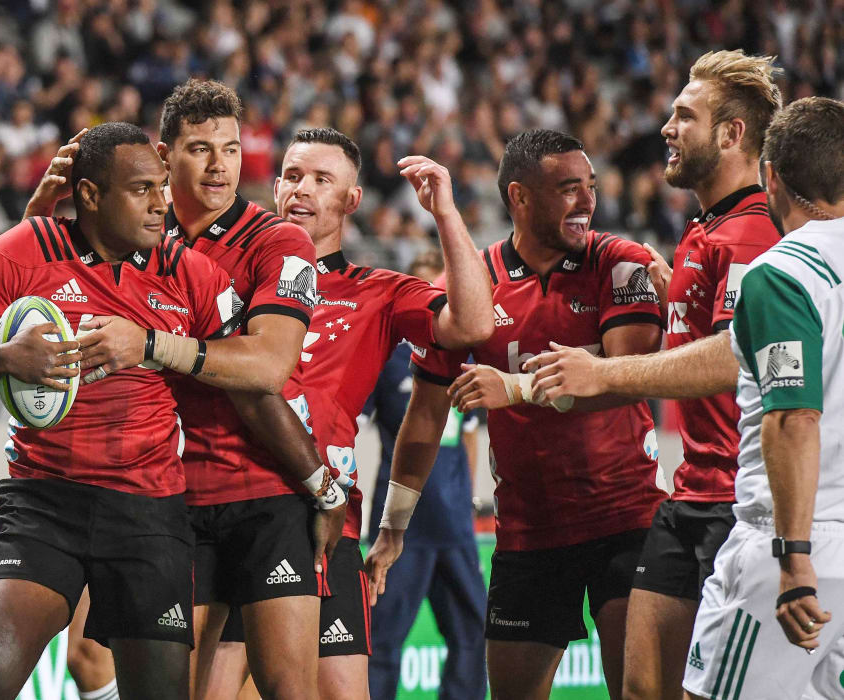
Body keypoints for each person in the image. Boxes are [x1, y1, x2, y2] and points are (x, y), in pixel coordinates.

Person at [24, 81, 344, 700]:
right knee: (120, 670)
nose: (221, 164)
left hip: (265, 489)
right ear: (166, 158)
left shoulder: (280, 242)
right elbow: (40, 288)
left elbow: (269, 368)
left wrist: (148, 344)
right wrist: (39, 214)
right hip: (166, 497)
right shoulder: (136, 234)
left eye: (230, 147)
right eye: (201, 148)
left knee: (288, 689)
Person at [0, 122, 243, 700]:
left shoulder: (188, 271)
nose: (159, 205)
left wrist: (311, 480)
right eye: (141, 189)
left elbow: (247, 369)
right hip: (44, 506)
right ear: (90, 195)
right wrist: (4, 357)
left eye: (162, 188)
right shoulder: (23, 250)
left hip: (150, 513)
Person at [515, 50, 783, 699]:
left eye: (684, 115)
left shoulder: (749, 232)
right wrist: (676, 298)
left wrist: (605, 375)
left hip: (739, 504)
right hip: (689, 497)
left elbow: (734, 357)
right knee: (641, 688)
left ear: (731, 134)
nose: (666, 126)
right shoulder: (704, 232)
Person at [367, 129, 668, 700]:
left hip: (627, 519)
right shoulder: (471, 287)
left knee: (642, 690)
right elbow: (426, 415)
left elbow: (629, 374)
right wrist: (393, 525)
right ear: (520, 197)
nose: (587, 202)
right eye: (568, 189)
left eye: (591, 187)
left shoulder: (620, 262)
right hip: (529, 533)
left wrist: (518, 386)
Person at [201, 128, 495, 700]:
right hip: (230, 510)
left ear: (351, 201)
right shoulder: (227, 279)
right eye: (291, 176)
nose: (301, 190)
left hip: (324, 522)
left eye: (320, 179)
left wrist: (445, 214)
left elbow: (474, 325)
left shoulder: (376, 292)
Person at [679, 96, 844, 700]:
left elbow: (794, 416)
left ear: (770, 176)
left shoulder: (783, 272)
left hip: (795, 540)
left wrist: (794, 558)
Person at [365, 251, 488, 700]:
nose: (431, 307)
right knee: (382, 640)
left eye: (439, 297)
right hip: (402, 527)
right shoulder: (388, 356)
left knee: (474, 634)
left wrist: (467, 499)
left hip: (454, 524)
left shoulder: (464, 353)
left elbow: (470, 434)